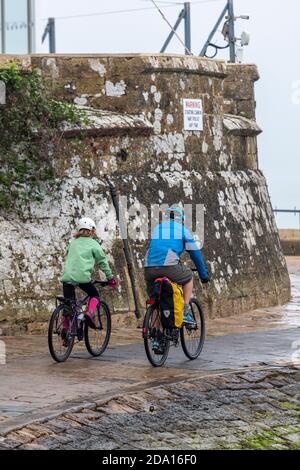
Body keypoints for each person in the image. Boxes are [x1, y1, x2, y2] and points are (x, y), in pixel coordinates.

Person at [144, 206, 209, 327]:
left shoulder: (157, 228)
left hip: (149, 268)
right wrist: (203, 274)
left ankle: (155, 339)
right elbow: (195, 254)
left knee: (156, 302)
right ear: (181, 219)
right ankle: (184, 311)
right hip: (168, 267)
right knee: (188, 277)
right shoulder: (183, 230)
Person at [60, 217, 117, 340]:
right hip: (82, 278)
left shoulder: (72, 242)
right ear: (92, 231)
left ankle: (66, 328)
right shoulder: (93, 244)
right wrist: (110, 278)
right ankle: (89, 313)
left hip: (67, 277)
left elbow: (67, 255)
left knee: (69, 304)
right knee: (95, 295)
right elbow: (102, 262)